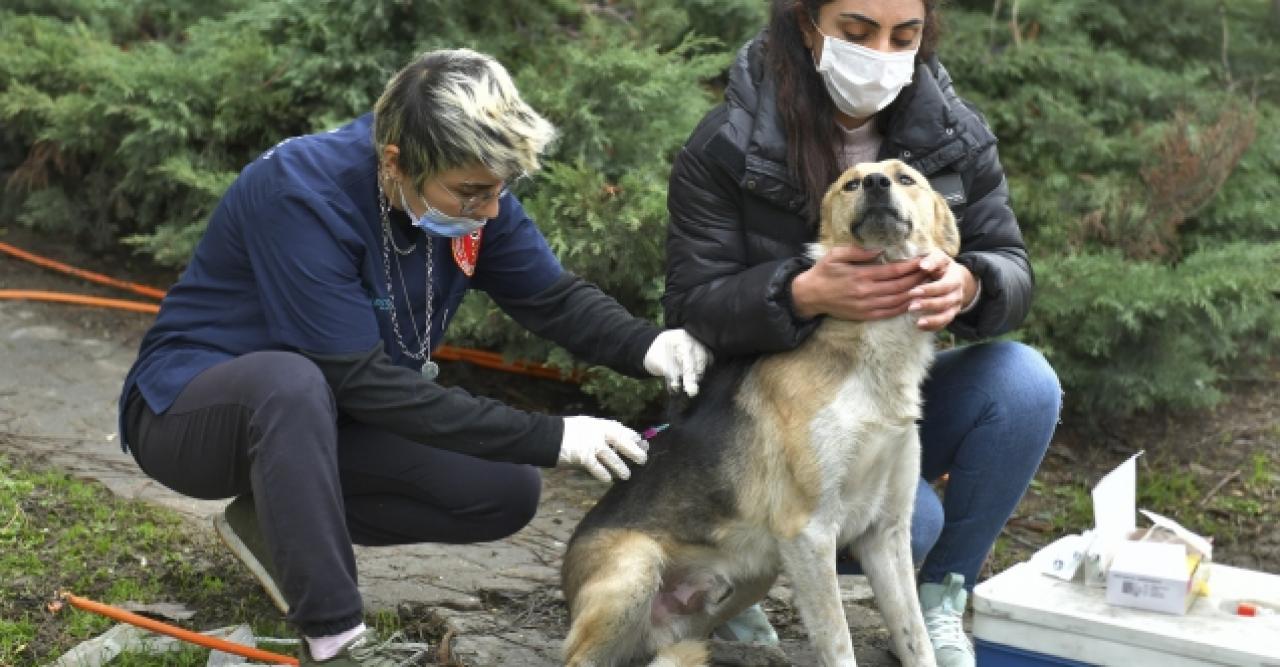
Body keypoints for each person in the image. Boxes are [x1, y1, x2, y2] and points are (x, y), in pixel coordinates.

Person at [117, 48, 710, 666]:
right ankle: (334, 638)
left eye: (501, 189)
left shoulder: (474, 194)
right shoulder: (301, 192)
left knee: (503, 488)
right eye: (472, 193)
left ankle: (277, 524)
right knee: (288, 383)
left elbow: (552, 298)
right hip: (190, 413)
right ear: (395, 161)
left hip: (326, 420)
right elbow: (360, 382)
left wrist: (648, 345)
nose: (491, 210)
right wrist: (551, 433)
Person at [662, 1, 1061, 665]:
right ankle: (733, 579)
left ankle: (941, 601)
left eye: (903, 36)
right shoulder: (725, 143)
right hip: (767, 419)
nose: (880, 52)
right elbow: (689, 308)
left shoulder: (956, 135)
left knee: (1022, 383)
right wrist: (795, 291)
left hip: (888, 387)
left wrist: (972, 283)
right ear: (806, 25)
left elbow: (1010, 265)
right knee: (914, 522)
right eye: (856, 32)